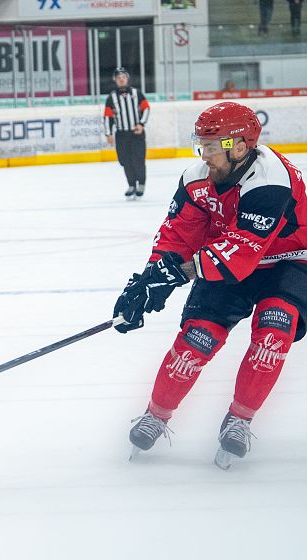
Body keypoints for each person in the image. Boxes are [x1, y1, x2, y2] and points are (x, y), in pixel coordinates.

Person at [113, 101, 307, 469]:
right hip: (221, 263)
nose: (206, 155)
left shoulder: (271, 180)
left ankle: (240, 419)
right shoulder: (196, 180)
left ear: (240, 146)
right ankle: (156, 415)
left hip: (287, 261)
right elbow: (176, 236)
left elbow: (242, 253)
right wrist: (148, 281)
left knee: (274, 328)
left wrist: (180, 274)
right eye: (202, 146)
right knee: (197, 337)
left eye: (213, 148)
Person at [104, 67, 150, 199]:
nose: (121, 79)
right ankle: (131, 185)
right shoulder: (111, 97)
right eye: (118, 78)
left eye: (123, 77)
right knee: (125, 160)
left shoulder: (137, 93)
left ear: (127, 78)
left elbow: (146, 108)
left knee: (138, 159)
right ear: (115, 80)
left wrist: (141, 124)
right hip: (121, 134)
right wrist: (108, 134)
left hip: (136, 133)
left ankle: (140, 184)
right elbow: (108, 117)